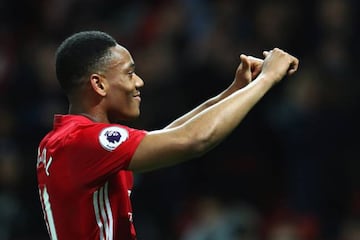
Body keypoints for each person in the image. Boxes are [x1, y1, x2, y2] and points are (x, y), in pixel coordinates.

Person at [36, 30, 299, 240]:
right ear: (99, 84)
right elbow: (194, 140)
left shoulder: (66, 139)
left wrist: (234, 90)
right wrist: (267, 80)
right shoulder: (85, 141)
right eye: (129, 73)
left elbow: (169, 134)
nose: (139, 82)